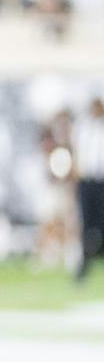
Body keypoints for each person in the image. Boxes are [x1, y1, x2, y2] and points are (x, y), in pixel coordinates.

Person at [73, 96, 104, 280]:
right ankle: (85, 262)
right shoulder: (83, 127)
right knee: (87, 223)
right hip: (87, 181)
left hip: (102, 181)